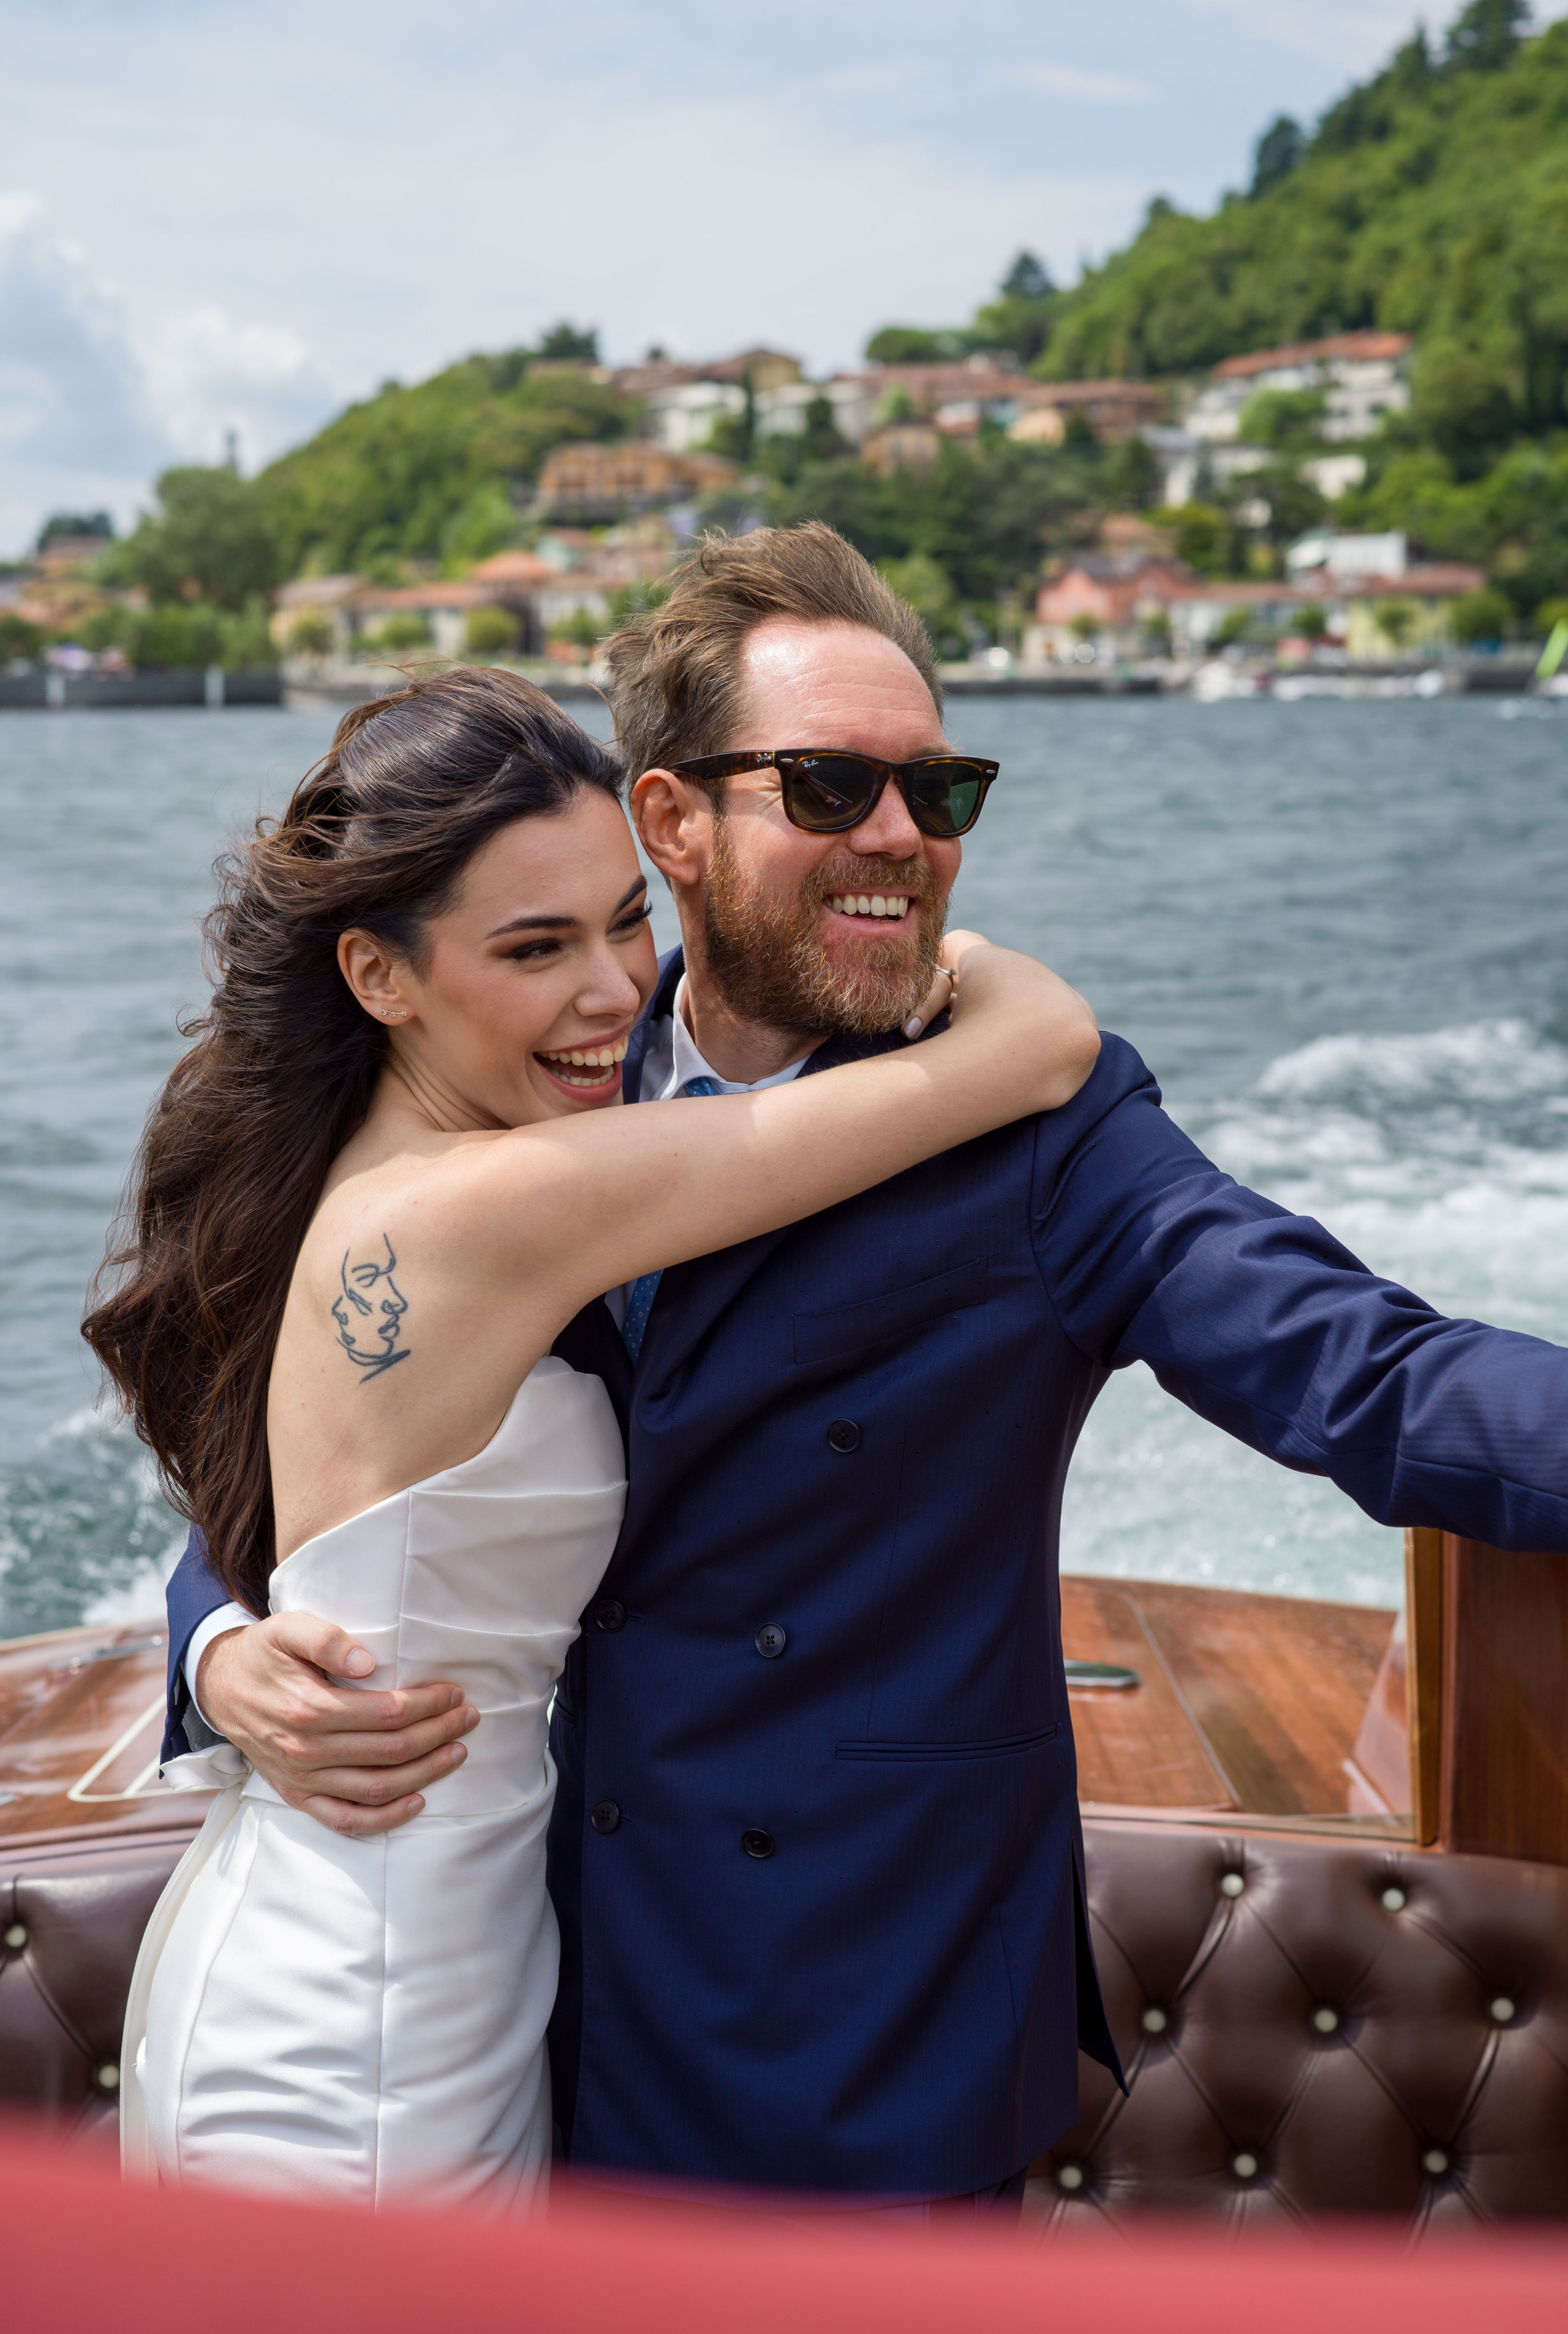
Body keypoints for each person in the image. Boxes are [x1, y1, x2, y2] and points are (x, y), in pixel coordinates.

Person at [164, 527, 1568, 2218]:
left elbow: (1375, 1377)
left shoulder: (1052, 1138)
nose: (900, 838)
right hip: (527, 2023)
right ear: (672, 820)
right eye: (833, 785)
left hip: (848, 2037)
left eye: (939, 789)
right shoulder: (537, 1076)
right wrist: (224, 1641)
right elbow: (348, 1438)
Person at [83, 663, 1097, 2209]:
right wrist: (967, 961)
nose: (616, 992)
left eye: (627, 919)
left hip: (436, 1965)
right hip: (354, 2023)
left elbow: (320, 1518)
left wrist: (220, 1635)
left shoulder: (390, 1172)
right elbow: (1026, 1058)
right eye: (532, 948)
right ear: (378, 976)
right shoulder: (487, 1208)